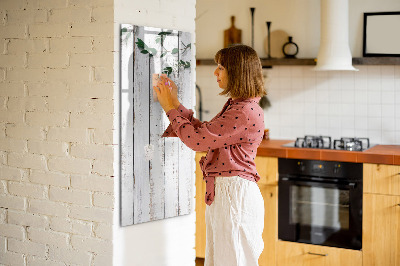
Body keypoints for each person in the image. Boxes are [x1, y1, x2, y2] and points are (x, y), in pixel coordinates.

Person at [153, 44, 267, 266]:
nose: (215, 72)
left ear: (237, 72)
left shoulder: (243, 111)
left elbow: (197, 141)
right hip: (228, 194)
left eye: (221, 67)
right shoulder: (239, 106)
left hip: (234, 196)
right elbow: (204, 133)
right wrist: (175, 103)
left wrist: (169, 108)